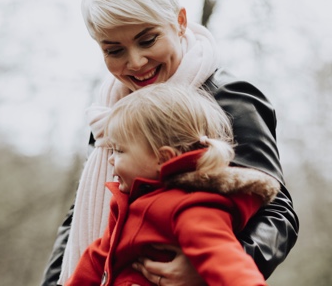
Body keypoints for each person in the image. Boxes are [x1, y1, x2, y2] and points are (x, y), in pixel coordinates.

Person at [40, 0, 299, 286]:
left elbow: (276, 211)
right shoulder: (111, 114)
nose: (135, 62)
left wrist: (203, 273)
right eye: (114, 50)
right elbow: (79, 216)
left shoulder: (230, 99)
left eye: (147, 40)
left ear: (178, 22)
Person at [65, 83, 280, 286]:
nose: (111, 159)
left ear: (163, 158)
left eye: (119, 151)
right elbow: (99, 256)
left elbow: (229, 264)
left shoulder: (188, 206)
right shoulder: (129, 203)